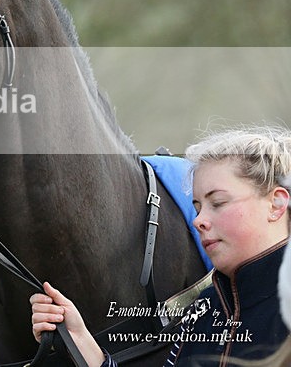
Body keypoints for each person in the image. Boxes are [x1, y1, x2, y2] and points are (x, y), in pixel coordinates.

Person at [30, 126, 291, 366]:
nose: (198, 220)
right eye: (197, 207)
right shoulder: (205, 309)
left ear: (276, 204)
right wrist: (79, 339)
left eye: (218, 203)